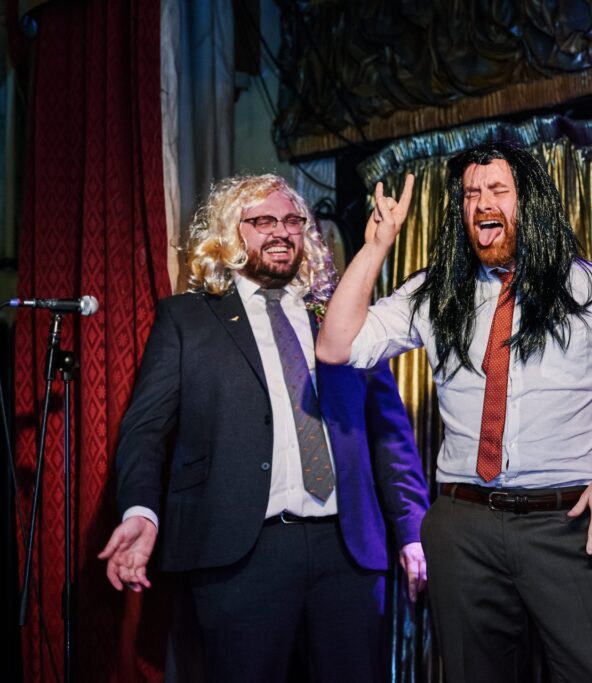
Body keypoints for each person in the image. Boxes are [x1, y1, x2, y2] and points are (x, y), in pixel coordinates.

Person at [315, 142, 592, 682]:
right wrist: (376, 248)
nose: (482, 204)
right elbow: (336, 347)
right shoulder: (436, 292)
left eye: (498, 190)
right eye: (472, 194)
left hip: (566, 523)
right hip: (464, 527)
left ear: (532, 202)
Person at [98, 174, 429, 682]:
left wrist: (410, 530)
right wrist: (142, 510)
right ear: (231, 233)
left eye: (293, 220)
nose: (281, 232)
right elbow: (145, 433)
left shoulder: (341, 316)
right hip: (242, 555)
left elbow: (390, 434)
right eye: (263, 221)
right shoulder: (187, 319)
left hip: (348, 552)